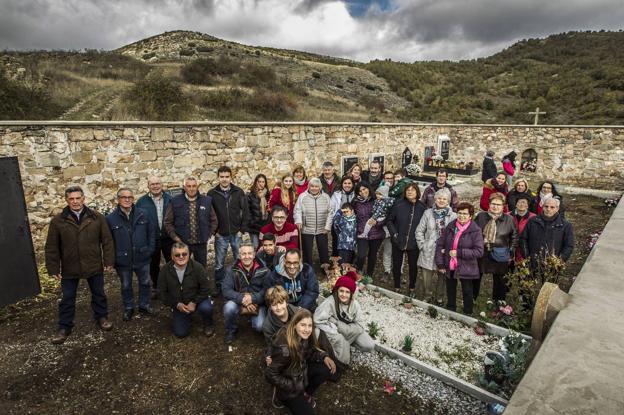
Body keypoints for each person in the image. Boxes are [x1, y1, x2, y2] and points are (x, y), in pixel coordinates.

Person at [45, 185, 115, 344]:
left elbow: (107, 241)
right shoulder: (58, 221)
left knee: (98, 293)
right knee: (67, 298)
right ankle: (64, 327)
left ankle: (102, 317)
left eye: (78, 198)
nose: (75, 201)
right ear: (66, 200)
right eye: (71, 199)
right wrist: (53, 268)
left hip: (93, 264)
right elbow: (51, 247)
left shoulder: (97, 218)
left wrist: (109, 261)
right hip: (70, 266)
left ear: (84, 199)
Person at [265, 309, 337, 413]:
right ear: (295, 325)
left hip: (299, 372)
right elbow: (270, 374)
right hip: (289, 388)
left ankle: (306, 393)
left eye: (309, 325)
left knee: (325, 369)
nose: (307, 329)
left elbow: (310, 352)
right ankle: (279, 396)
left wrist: (324, 356)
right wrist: (291, 385)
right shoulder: (284, 349)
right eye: (303, 325)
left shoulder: (303, 336)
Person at [106, 187, 156, 321]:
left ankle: (144, 305)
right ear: (118, 200)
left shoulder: (143, 214)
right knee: (126, 285)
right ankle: (129, 307)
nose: (127, 200)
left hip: (142, 256)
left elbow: (151, 233)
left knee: (145, 282)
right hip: (123, 260)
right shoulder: (111, 218)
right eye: (124, 197)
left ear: (133, 199)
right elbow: (109, 242)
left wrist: (150, 250)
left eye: (130, 197)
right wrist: (112, 259)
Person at [314, 271, 375, 365]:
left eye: (347, 292)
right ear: (337, 290)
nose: (344, 295)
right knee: (317, 332)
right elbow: (317, 320)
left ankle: (347, 342)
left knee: (369, 345)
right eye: (341, 291)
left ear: (351, 294)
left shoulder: (355, 305)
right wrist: (333, 330)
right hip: (334, 332)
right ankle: (339, 348)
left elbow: (359, 326)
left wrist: (339, 325)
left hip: (349, 331)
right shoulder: (330, 302)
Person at [435, 202, 484, 315]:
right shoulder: (451, 226)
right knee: (450, 288)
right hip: (450, 264)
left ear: (470, 216)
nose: (462, 216)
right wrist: (440, 263)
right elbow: (440, 244)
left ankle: (467, 313)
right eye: (460, 213)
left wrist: (459, 253)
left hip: (467, 266)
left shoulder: (475, 230)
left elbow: (479, 251)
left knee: (467, 291)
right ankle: (451, 310)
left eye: (465, 214)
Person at [208, 166, 250, 295]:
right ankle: (219, 286)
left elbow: (245, 211)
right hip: (221, 234)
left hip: (236, 233)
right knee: (219, 262)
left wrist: (242, 230)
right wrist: (215, 231)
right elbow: (210, 214)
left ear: (231, 177)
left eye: (227, 177)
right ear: (218, 177)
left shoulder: (238, 191)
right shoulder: (212, 193)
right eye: (222, 177)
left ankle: (239, 284)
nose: (224, 179)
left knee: (240, 259)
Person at [158, 242, 214, 338]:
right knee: (181, 333)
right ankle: (185, 317)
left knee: (206, 308)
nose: (181, 257)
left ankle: (208, 324)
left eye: (184, 254)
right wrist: (176, 304)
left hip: (197, 300)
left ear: (189, 255)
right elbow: (161, 293)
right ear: (172, 256)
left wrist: (194, 302)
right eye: (177, 255)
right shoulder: (165, 271)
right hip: (179, 304)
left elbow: (206, 287)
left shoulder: (197, 267)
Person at [164, 176, 217, 268]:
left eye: (194, 186)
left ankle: (201, 282)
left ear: (197, 186)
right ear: (184, 187)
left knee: (201, 268)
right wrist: (176, 238)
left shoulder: (206, 201)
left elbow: (214, 220)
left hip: (201, 243)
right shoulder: (175, 201)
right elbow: (168, 222)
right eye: (189, 186)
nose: (191, 189)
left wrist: (208, 235)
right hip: (182, 243)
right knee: (182, 268)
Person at [474, 193, 518, 302]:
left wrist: (511, 252)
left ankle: (498, 300)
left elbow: (514, 237)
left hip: (500, 252)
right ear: (489, 204)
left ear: (503, 206)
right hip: (482, 252)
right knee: (476, 276)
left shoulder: (509, 219)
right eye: (493, 204)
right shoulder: (481, 216)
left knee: (500, 279)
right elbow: (473, 232)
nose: (495, 206)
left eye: (499, 204)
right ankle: (472, 297)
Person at [222, 243, 270, 344]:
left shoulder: (264, 268)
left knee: (259, 326)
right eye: (243, 254)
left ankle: (255, 319)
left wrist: (253, 299)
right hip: (239, 300)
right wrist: (242, 299)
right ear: (239, 255)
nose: (247, 256)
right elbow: (226, 289)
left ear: (254, 254)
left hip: (258, 302)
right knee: (228, 308)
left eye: (249, 253)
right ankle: (231, 330)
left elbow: (267, 289)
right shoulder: (232, 269)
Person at [415, 188, 457, 305]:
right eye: (439, 198)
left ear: (448, 200)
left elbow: (455, 235)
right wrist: (422, 245)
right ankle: (427, 295)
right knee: (426, 276)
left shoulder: (453, 216)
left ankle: (439, 298)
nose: (441, 200)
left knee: (442, 276)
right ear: (435, 199)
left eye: (444, 199)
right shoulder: (428, 213)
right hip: (428, 249)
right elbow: (419, 231)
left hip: (444, 251)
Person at [136, 175, 173, 297]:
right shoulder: (141, 202)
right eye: (152, 184)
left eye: (157, 183)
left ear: (162, 185)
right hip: (151, 239)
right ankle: (156, 287)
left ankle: (172, 286)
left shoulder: (170, 199)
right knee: (153, 265)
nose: (155, 186)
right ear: (148, 186)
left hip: (168, 238)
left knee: (172, 263)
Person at [387, 183, 426, 295]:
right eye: (407, 190)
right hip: (398, 240)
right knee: (397, 264)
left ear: (417, 192)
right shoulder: (398, 204)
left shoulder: (422, 207)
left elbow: (425, 226)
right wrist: (394, 234)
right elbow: (389, 221)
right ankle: (397, 286)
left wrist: (421, 239)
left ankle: (412, 288)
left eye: (412, 190)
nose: (410, 192)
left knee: (413, 266)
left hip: (414, 242)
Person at [520, 197, 574, 275]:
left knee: (548, 285)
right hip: (533, 262)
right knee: (532, 284)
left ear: (557, 208)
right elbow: (523, 239)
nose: (549, 209)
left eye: (552, 207)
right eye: (546, 206)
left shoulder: (565, 225)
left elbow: (569, 245)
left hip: (552, 264)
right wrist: (527, 257)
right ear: (542, 207)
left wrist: (559, 261)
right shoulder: (533, 221)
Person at [294, 177, 332, 268]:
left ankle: (325, 269)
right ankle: (308, 269)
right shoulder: (302, 196)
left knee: (323, 249)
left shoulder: (326, 197)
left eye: (316, 186)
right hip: (307, 228)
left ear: (320, 187)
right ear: (309, 187)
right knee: (307, 251)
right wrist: (298, 220)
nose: (314, 188)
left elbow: (331, 212)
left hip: (322, 228)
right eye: (312, 186)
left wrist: (327, 226)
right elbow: (297, 210)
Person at [352, 182, 385, 277]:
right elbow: (352, 215)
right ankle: (359, 272)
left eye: (364, 189)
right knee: (361, 255)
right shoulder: (356, 202)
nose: (363, 192)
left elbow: (385, 216)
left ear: (368, 188)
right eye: (360, 191)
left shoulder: (377, 200)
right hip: (362, 232)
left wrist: (378, 223)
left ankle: (369, 275)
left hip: (376, 233)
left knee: (372, 255)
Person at [329, 175, 356, 257]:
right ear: (342, 184)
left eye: (349, 183)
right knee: (336, 244)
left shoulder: (356, 195)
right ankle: (336, 265)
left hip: (351, 226)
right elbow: (331, 209)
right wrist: (337, 218)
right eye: (345, 183)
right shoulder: (336, 195)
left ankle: (349, 265)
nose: (347, 185)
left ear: (353, 184)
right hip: (339, 225)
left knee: (351, 246)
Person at [247, 173, 271, 250]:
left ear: (265, 183)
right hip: (254, 227)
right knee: (256, 247)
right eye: (259, 181)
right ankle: (256, 262)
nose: (261, 184)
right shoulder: (250, 195)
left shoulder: (268, 195)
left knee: (265, 247)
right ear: (256, 182)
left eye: (263, 182)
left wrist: (269, 221)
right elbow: (247, 211)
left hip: (265, 226)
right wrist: (252, 222)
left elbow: (270, 210)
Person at [511, 194, 536, 262]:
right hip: (510, 247)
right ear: (516, 204)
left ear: (527, 206)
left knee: (523, 268)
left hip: (525, 248)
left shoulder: (533, 218)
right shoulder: (508, 215)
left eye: (524, 202)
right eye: (519, 202)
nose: (521, 204)